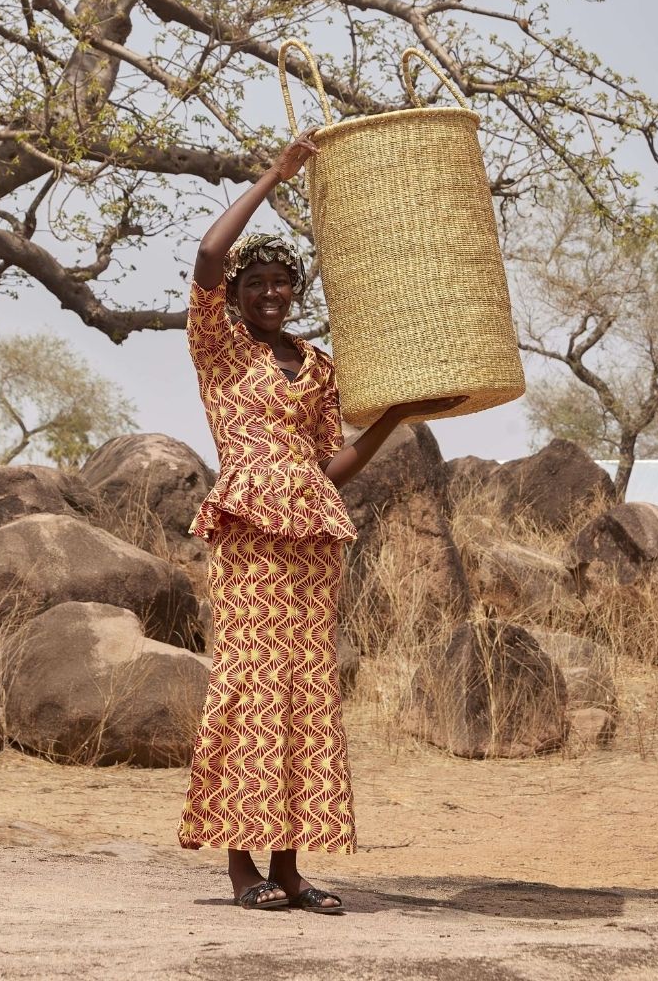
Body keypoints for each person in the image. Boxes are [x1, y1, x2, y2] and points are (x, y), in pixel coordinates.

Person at [177, 129, 462, 912]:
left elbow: (328, 467)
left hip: (312, 538)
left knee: (304, 691)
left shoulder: (319, 367)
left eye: (282, 283)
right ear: (235, 296)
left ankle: (290, 868)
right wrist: (279, 172)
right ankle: (242, 871)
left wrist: (393, 416)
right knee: (249, 688)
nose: (271, 293)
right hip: (248, 536)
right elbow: (207, 254)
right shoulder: (220, 350)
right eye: (257, 283)